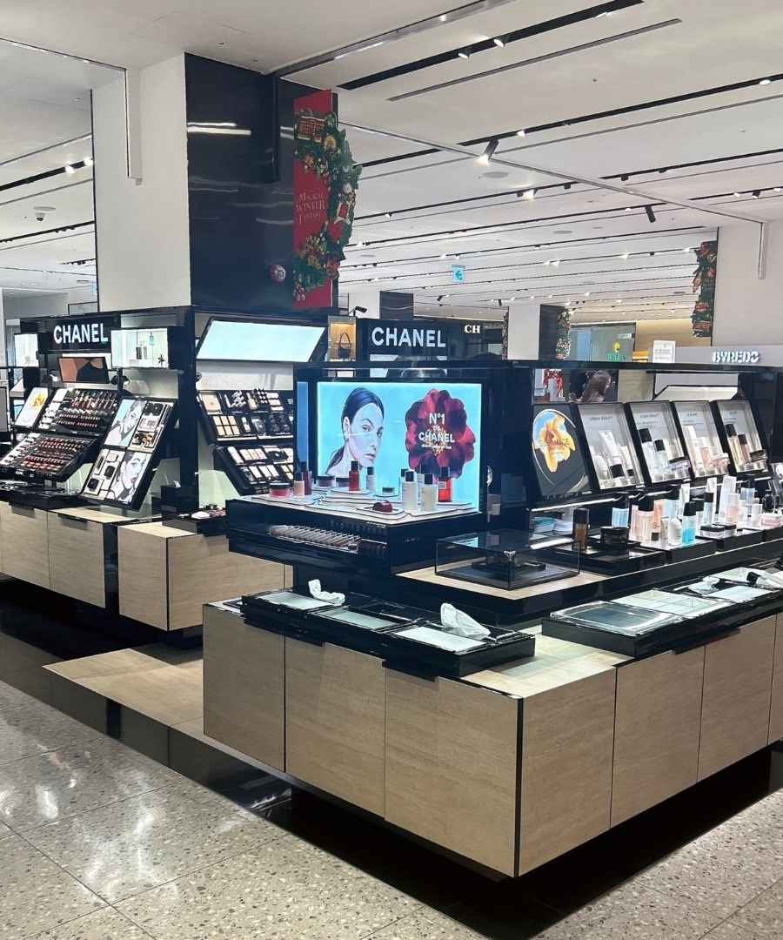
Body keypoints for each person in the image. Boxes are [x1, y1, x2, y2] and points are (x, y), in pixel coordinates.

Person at [325, 387, 385, 477]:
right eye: (366, 428)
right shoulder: (334, 479)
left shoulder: (364, 479)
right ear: (347, 427)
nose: (375, 443)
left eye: (379, 433)